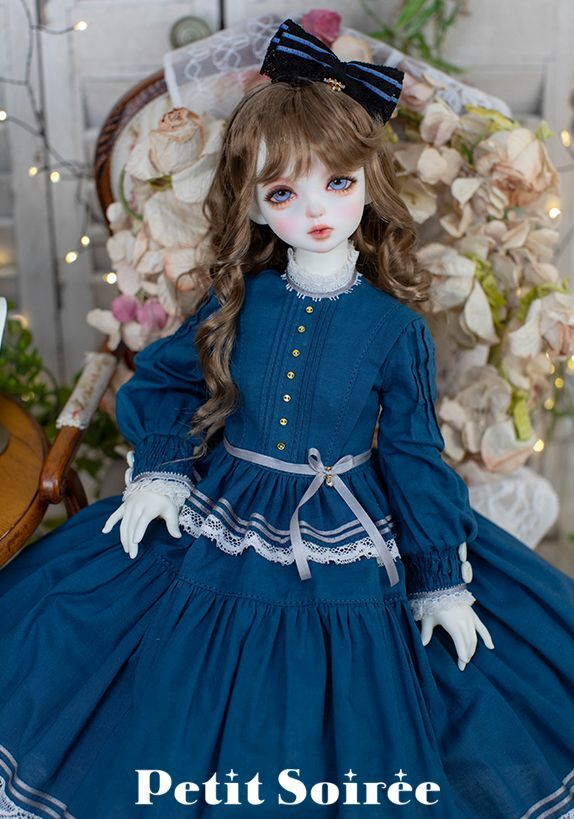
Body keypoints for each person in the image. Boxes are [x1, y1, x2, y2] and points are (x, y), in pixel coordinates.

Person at [0, 18, 573, 819]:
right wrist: (161, 470)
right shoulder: (239, 299)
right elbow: (167, 379)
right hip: (224, 503)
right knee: (114, 644)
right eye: (283, 192)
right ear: (256, 205)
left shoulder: (393, 328)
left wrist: (439, 577)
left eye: (337, 182)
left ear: (368, 181)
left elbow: (414, 454)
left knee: (396, 686)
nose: (315, 209)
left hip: (350, 521)